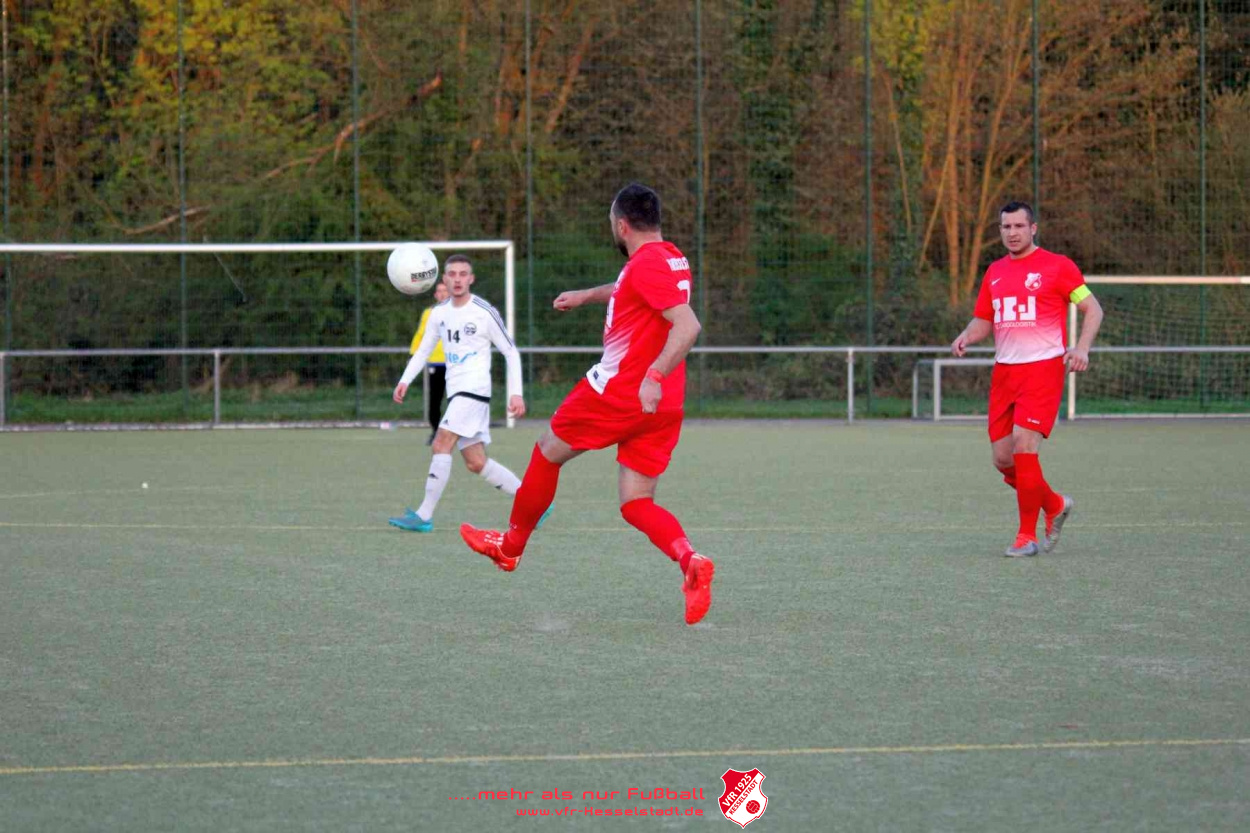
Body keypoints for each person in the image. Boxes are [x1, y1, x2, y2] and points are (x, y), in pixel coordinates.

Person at [459, 183, 716, 625]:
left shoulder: (646, 264)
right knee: (636, 502)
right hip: (664, 404)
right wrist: (586, 296)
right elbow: (631, 287)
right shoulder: (671, 258)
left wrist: (653, 375)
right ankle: (690, 561)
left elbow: (688, 325)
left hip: (623, 391)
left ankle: (510, 548)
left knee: (547, 451)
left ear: (622, 225)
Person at [950, 201, 1104, 557]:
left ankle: (1026, 537)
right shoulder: (994, 272)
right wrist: (966, 335)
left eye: (1019, 226)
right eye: (1006, 227)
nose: (1013, 233)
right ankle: (1054, 504)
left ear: (1033, 228)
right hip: (1005, 373)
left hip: (1043, 368)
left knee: (1024, 445)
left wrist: (1081, 348)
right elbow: (984, 320)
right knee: (1003, 460)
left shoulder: (1058, 266)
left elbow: (1093, 308)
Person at [389, 255, 527, 533]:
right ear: (444, 279)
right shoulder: (439, 313)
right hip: (458, 392)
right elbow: (424, 350)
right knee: (476, 462)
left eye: (463, 274)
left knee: (441, 443)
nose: (457, 279)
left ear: (471, 279)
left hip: (474, 390)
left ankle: (424, 515)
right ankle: (534, 502)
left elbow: (510, 351)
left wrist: (516, 393)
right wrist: (404, 380)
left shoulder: (483, 312)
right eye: (452, 274)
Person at [410, 281, 451, 445]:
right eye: (439, 291)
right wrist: (413, 355)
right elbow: (421, 334)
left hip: (456, 364)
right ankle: (436, 432)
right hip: (436, 363)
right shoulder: (429, 313)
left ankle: (458, 433)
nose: (442, 294)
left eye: (445, 291)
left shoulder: (459, 311)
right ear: (435, 295)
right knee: (435, 400)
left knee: (457, 400)